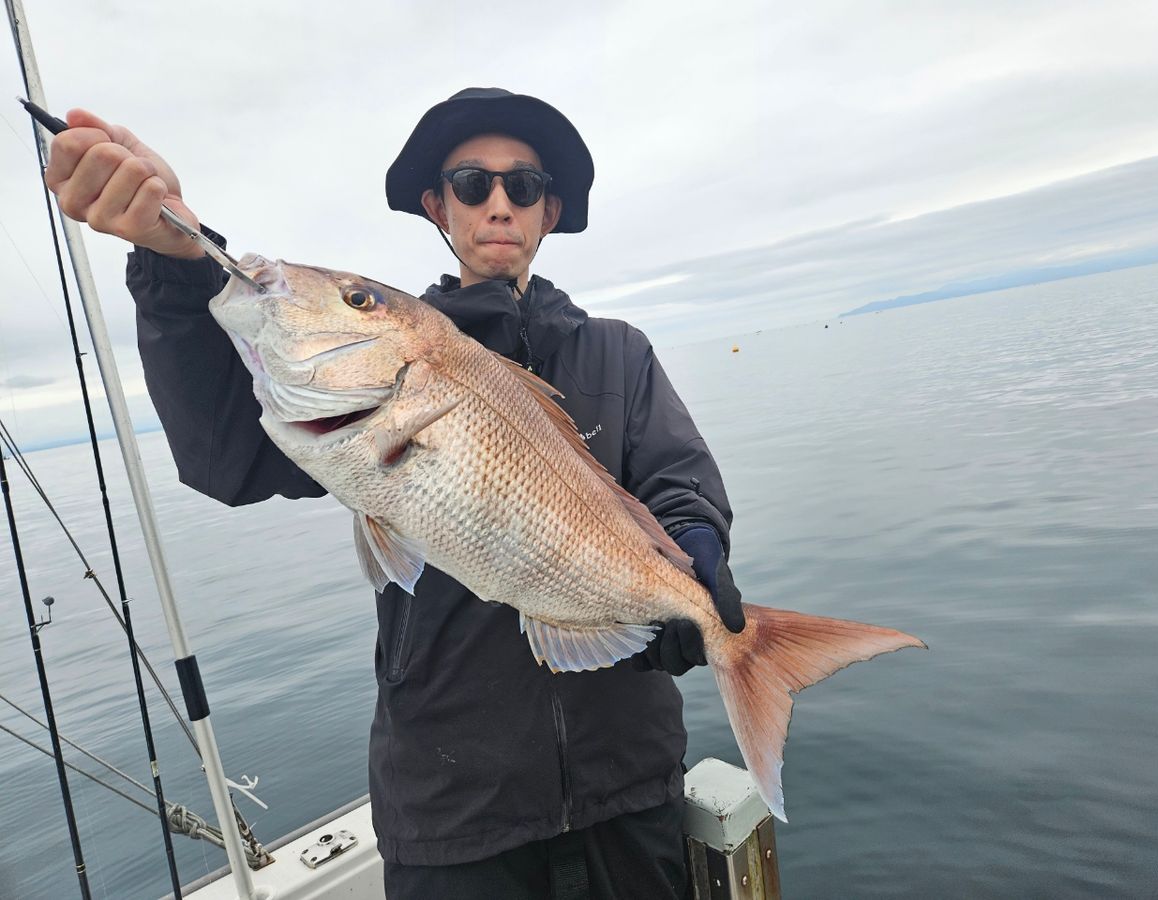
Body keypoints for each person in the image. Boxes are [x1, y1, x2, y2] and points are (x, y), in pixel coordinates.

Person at [46, 87, 745, 900]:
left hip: (629, 786)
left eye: (523, 186)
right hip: (453, 812)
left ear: (548, 211)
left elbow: (677, 481)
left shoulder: (619, 354)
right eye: (471, 183)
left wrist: (695, 557)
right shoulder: (383, 366)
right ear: (437, 205)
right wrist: (174, 266)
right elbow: (223, 458)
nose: (498, 203)